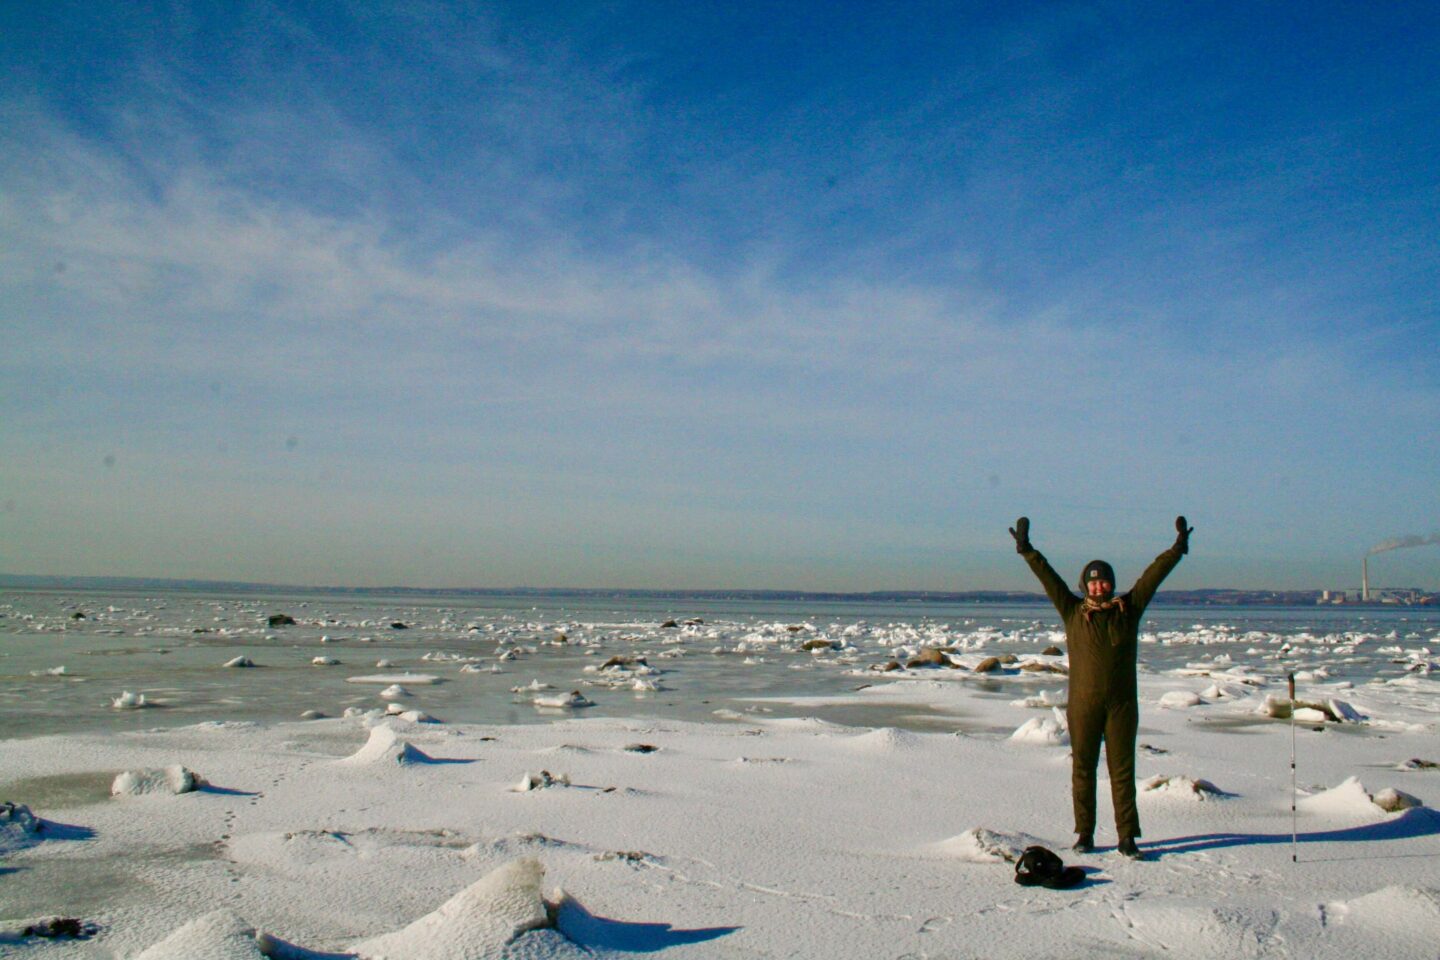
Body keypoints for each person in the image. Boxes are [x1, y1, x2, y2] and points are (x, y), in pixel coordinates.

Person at [1009, 515, 1193, 859]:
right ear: (1085, 586)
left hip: (1122, 705)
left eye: (1104, 582)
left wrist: (1177, 550)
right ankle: (1084, 834)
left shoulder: (1129, 610)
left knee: (1122, 772)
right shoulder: (1073, 611)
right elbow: (1049, 579)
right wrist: (1027, 550)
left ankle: (1127, 837)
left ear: (1111, 584)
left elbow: (1152, 577)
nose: (1099, 587)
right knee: (1083, 770)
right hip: (1083, 705)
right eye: (1093, 583)